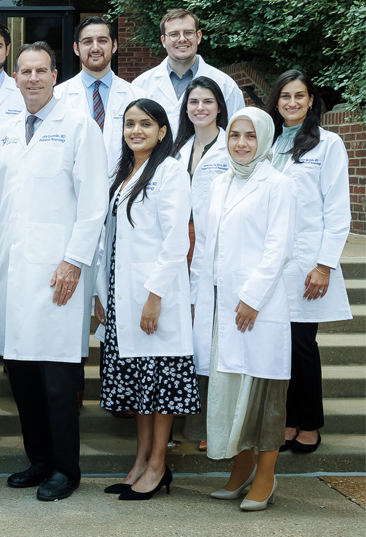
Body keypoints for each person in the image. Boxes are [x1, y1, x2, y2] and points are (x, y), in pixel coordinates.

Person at [0, 41, 107, 502]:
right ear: (15, 78)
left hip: (58, 275)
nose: (32, 78)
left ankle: (65, 469)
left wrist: (74, 261)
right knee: (23, 376)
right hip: (13, 274)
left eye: (41, 70)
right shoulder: (6, 131)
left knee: (57, 379)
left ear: (55, 75)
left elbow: (94, 202)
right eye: (24, 71)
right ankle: (38, 459)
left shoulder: (78, 127)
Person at [189, 107, 295, 511]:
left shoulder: (278, 185)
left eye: (250, 136)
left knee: (262, 395)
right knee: (230, 394)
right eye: (235, 135)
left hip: (257, 308)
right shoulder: (220, 183)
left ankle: (265, 478)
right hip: (221, 307)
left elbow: (278, 247)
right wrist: (201, 299)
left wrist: (251, 299)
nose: (241, 143)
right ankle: (240, 469)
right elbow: (206, 247)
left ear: (264, 140)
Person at [93, 99, 199, 500]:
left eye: (145, 124)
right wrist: (103, 296)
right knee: (139, 387)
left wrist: (154, 298)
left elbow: (175, 242)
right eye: (130, 124)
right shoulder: (124, 174)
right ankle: (139, 462)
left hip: (154, 296)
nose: (136, 130)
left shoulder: (170, 173)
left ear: (162, 131)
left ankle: (158, 466)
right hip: (122, 296)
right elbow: (110, 242)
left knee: (158, 386)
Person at [265, 70, 352, 454]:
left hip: (306, 263)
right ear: (276, 101)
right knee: (277, 344)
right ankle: (286, 419)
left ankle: (310, 424)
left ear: (312, 100)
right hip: (271, 262)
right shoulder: (266, 141)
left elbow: (337, 210)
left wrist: (324, 265)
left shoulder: (328, 145)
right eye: (285, 96)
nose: (292, 103)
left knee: (301, 344)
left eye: (300, 96)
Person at [170, 76, 230, 452]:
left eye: (207, 101)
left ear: (219, 107)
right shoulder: (179, 148)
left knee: (211, 339)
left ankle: (210, 424)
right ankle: (178, 426)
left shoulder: (231, 146)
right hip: (183, 248)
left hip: (215, 249)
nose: (200, 108)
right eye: (193, 102)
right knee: (184, 334)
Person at [54, 16, 146, 179]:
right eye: (88, 41)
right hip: (73, 192)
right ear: (76, 48)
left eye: (102, 40)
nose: (95, 48)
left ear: (114, 45)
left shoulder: (138, 96)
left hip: (122, 190)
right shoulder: (57, 97)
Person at [132, 9, 245, 134]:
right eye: (174, 34)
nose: (182, 39)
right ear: (164, 41)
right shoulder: (141, 85)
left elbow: (237, 133)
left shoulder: (226, 85)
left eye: (188, 33)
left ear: (198, 37)